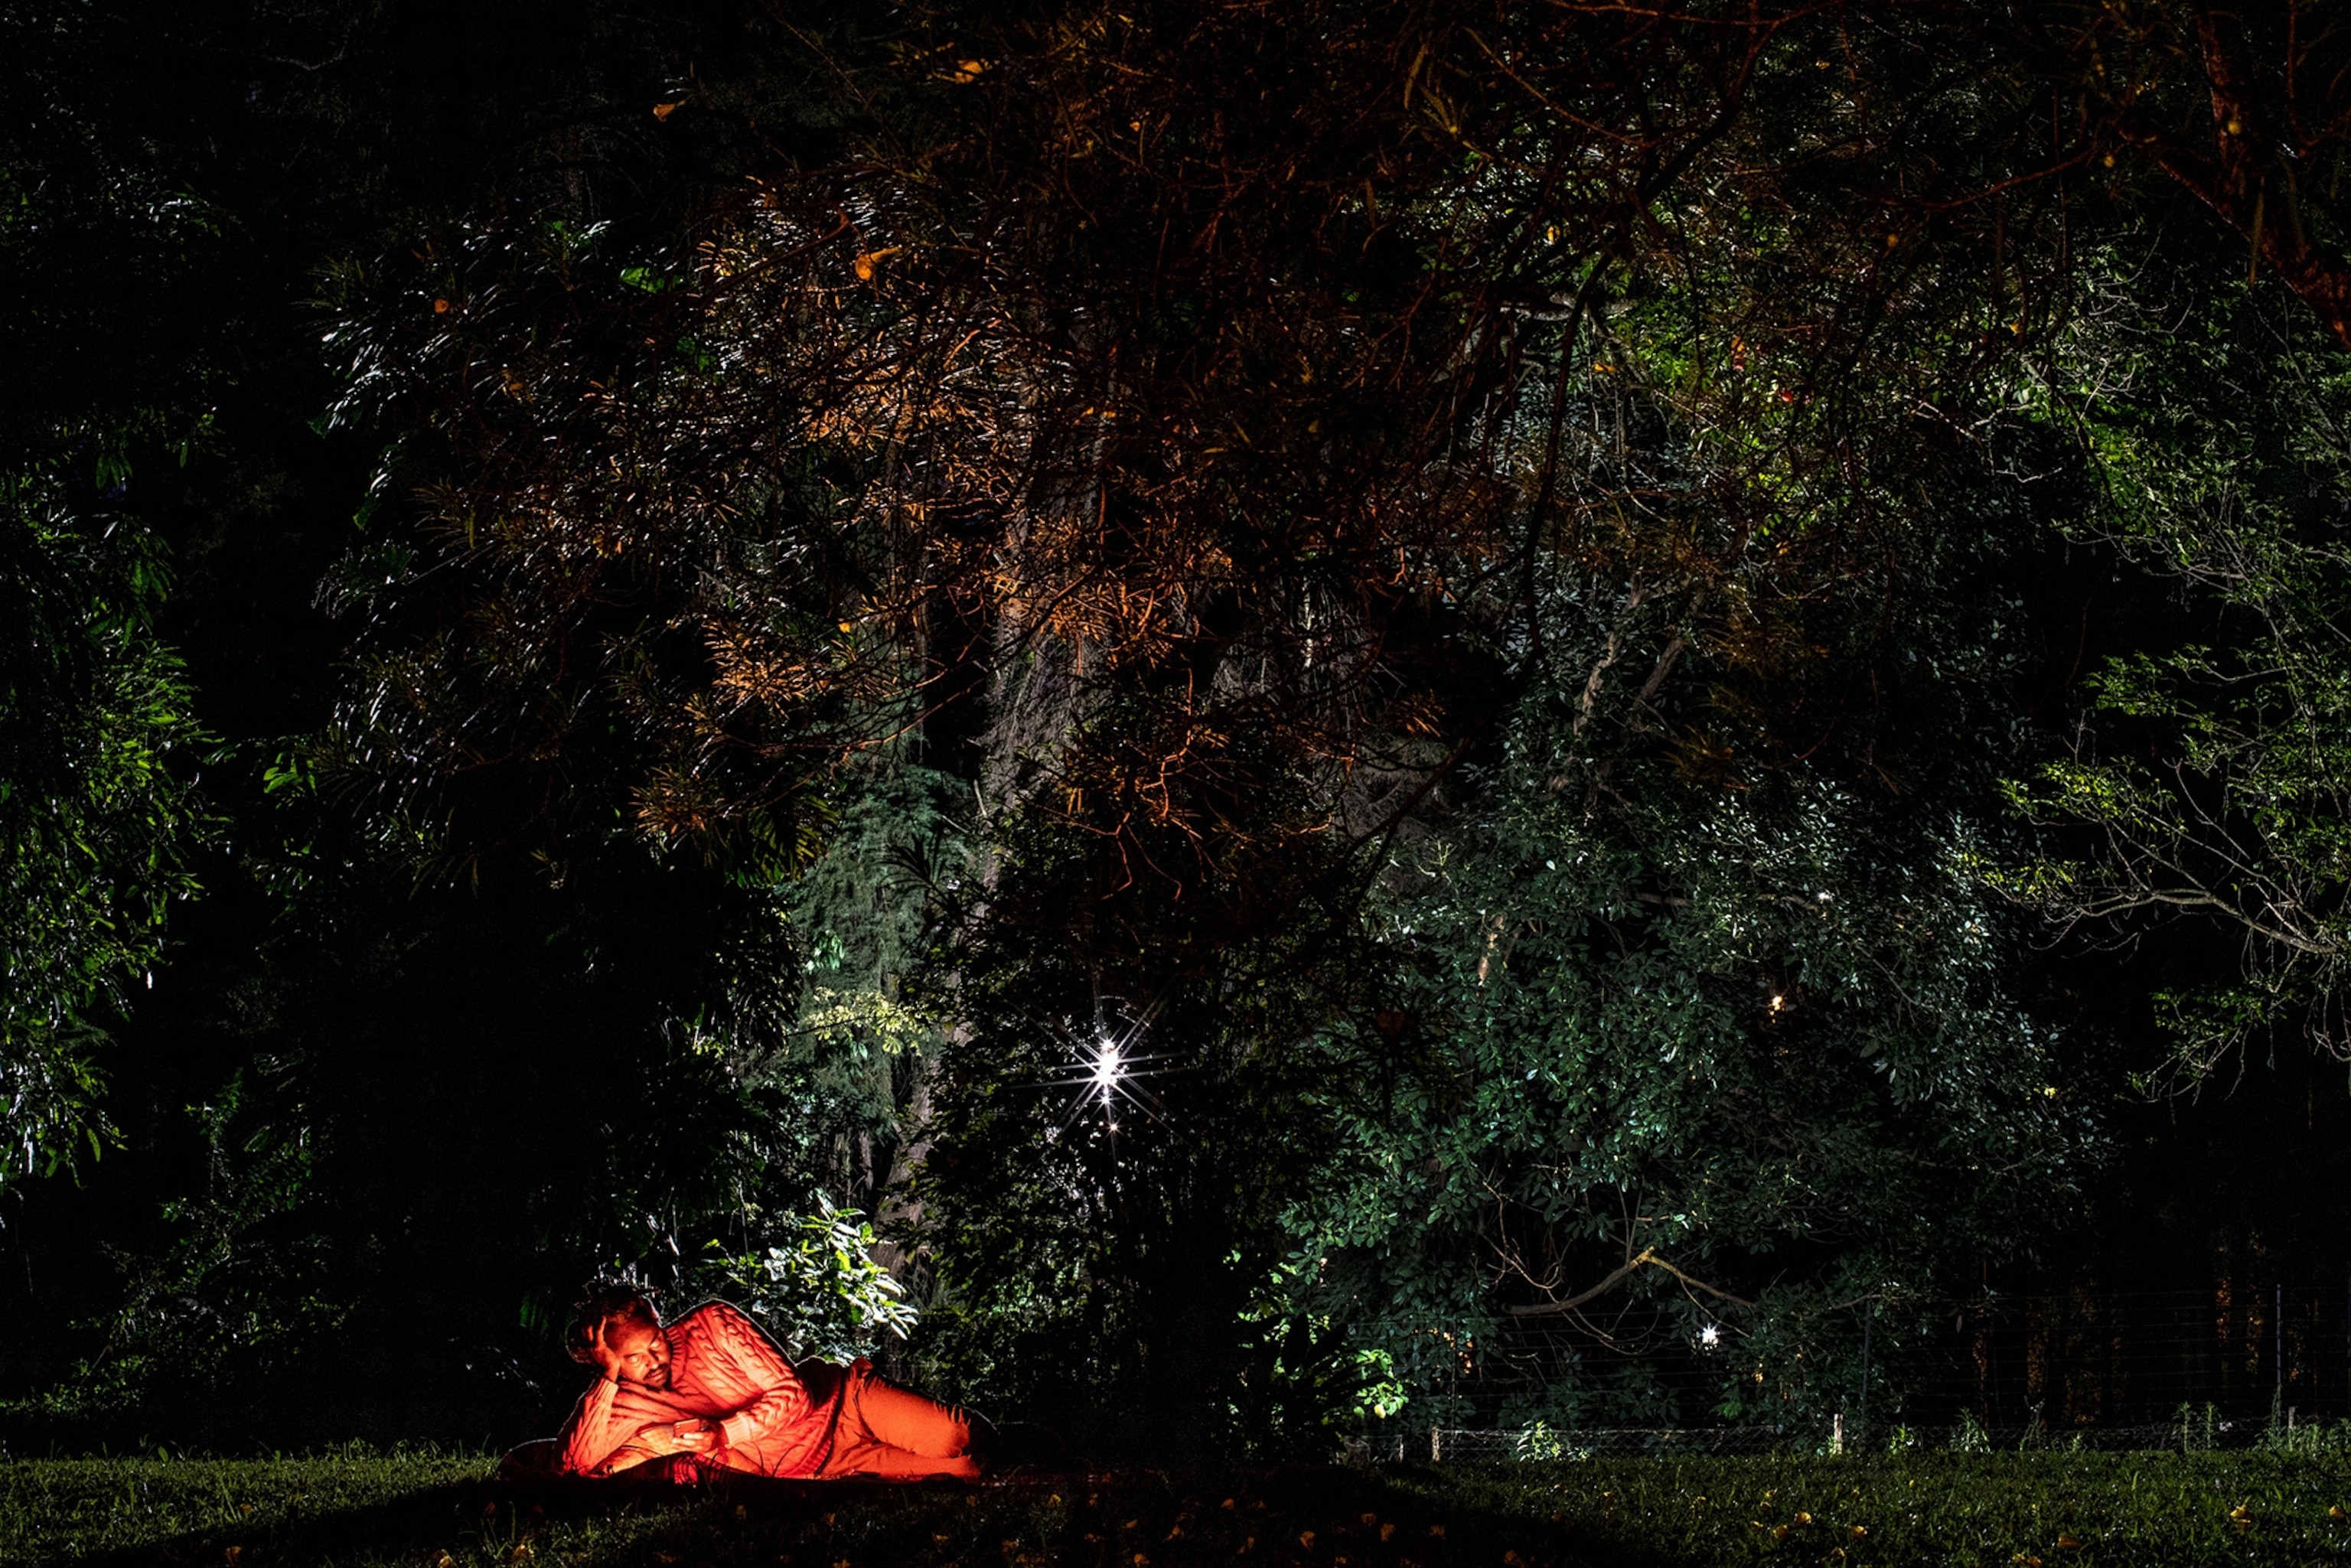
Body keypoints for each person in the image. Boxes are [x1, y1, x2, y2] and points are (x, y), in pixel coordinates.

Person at [504, 1281, 979, 1482]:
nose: (653, 1360)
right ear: (608, 1362)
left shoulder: (714, 1323)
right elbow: (573, 1470)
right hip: (824, 1466)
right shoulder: (623, 1404)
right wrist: (608, 1379)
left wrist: (723, 1433)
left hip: (843, 1404)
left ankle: (1014, 1435)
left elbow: (792, 1397)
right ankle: (1022, 1449)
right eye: (631, 1358)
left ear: (657, 1319)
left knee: (953, 1436)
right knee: (967, 1473)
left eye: (655, 1343)